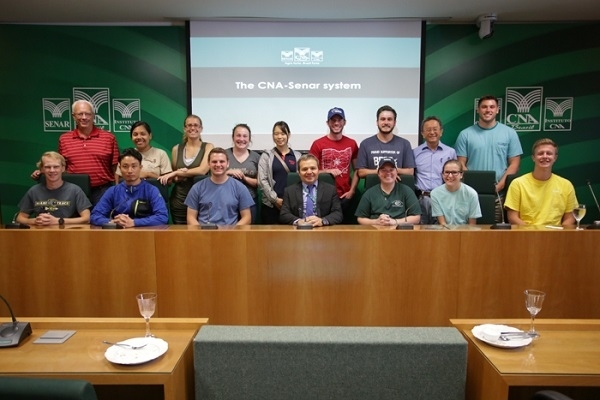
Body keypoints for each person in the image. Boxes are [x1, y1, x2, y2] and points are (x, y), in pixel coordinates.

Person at [32, 100, 120, 205]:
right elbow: (60, 165)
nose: (84, 117)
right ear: (74, 116)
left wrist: (117, 190)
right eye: (80, 114)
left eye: (87, 114)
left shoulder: (109, 138)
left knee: (102, 216)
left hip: (103, 191)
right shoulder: (64, 139)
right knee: (74, 216)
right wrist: (42, 172)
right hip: (73, 191)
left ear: (93, 115)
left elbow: (116, 167)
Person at [455, 95, 523, 221]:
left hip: (499, 196)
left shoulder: (510, 133)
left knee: (495, 232)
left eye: (492, 107)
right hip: (471, 195)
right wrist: (473, 185)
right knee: (470, 230)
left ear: (497, 110)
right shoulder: (465, 134)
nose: (488, 110)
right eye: (484, 107)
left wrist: (500, 185)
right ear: (478, 110)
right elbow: (460, 164)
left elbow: (514, 163)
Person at [505, 138, 577, 226]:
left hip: (555, 233)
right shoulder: (518, 184)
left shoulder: (566, 185)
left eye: (549, 153)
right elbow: (512, 217)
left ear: (555, 158)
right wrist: (533, 231)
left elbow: (570, 217)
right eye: (540, 153)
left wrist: (560, 232)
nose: (545, 156)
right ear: (533, 158)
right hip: (526, 232)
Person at [91, 148, 169, 228]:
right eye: (125, 166)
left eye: (134, 166)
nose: (130, 171)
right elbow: (95, 216)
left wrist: (134, 222)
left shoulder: (151, 190)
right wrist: (113, 222)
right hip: (119, 233)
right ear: (120, 168)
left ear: (140, 167)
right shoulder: (113, 191)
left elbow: (162, 217)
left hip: (145, 233)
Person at [158, 115, 214, 224]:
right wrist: (176, 176)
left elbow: (202, 170)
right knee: (181, 233)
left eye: (196, 125)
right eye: (189, 125)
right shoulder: (176, 149)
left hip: (202, 200)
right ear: (184, 128)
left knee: (203, 232)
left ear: (201, 128)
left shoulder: (208, 147)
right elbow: (174, 177)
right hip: (180, 200)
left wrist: (178, 172)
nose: (192, 128)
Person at [309, 107, 359, 222]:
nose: (336, 123)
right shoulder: (317, 144)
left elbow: (358, 169)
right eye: (333, 120)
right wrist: (327, 171)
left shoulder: (352, 143)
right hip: (322, 196)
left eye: (339, 120)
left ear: (344, 122)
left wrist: (352, 191)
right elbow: (309, 171)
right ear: (328, 123)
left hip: (345, 196)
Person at [17, 151, 92, 226]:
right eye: (47, 167)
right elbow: (20, 218)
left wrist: (59, 221)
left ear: (63, 168)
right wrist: (35, 221)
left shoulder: (75, 190)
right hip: (41, 231)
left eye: (56, 167)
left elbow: (87, 218)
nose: (52, 170)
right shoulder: (34, 191)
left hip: (66, 231)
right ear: (42, 169)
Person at [185, 147, 254, 226]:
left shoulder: (240, 188)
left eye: (222, 161)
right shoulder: (197, 188)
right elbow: (190, 217)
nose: (218, 165)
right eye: (214, 162)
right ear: (208, 164)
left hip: (230, 232)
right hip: (204, 232)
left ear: (228, 163)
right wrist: (200, 232)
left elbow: (247, 218)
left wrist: (233, 230)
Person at [413, 116, 457, 224]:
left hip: (443, 199)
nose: (432, 132)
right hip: (421, 199)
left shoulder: (450, 152)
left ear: (441, 132)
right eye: (428, 130)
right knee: (420, 231)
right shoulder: (414, 152)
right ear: (422, 133)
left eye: (435, 129)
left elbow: (455, 178)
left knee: (441, 230)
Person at [279, 154, 343, 226]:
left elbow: (338, 214)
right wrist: (298, 221)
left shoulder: (330, 190)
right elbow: (284, 214)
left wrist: (322, 221)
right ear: (299, 173)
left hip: (322, 229)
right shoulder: (289, 191)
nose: (309, 172)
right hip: (299, 229)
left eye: (313, 168)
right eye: (304, 169)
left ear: (318, 170)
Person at [257, 121, 302, 224]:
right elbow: (262, 180)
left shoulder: (297, 156)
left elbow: (301, 178)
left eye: (283, 133)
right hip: (270, 205)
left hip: (292, 205)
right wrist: (275, 199)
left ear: (288, 135)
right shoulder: (266, 156)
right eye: (276, 134)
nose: (279, 137)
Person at [355, 158, 421, 226]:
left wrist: (395, 222)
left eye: (391, 170)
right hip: (376, 230)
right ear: (378, 173)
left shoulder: (406, 191)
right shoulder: (369, 193)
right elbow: (360, 218)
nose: (388, 173)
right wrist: (376, 222)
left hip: (399, 230)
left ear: (396, 172)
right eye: (383, 170)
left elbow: (416, 218)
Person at [356, 105, 415, 178]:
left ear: (394, 122)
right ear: (377, 122)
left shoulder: (405, 144)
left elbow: (410, 171)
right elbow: (361, 172)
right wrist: (385, 171)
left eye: (389, 119)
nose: (386, 122)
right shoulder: (365, 144)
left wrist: (391, 171)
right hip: (373, 185)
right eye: (383, 119)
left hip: (397, 185)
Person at [225, 124, 261, 223]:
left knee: (247, 231)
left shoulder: (256, 157)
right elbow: (214, 176)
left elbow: (259, 183)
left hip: (250, 201)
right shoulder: (224, 154)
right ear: (233, 137)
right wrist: (228, 172)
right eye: (238, 135)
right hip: (226, 201)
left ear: (249, 139)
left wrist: (244, 178)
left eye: (245, 136)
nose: (241, 139)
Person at [430, 160, 481, 225]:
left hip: (466, 230)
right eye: (447, 172)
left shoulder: (471, 193)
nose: (450, 176)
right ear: (442, 174)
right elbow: (442, 223)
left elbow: (472, 224)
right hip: (445, 229)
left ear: (461, 175)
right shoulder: (435, 193)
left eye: (454, 172)